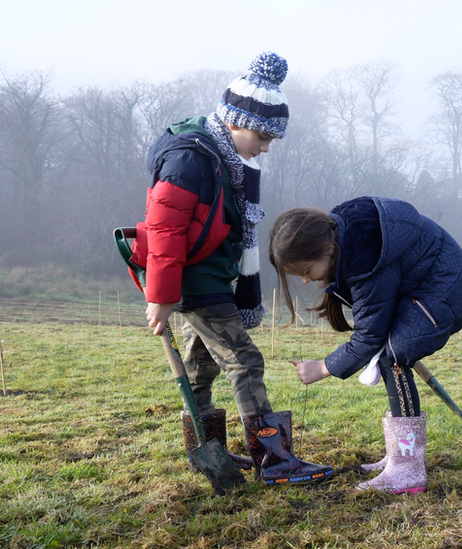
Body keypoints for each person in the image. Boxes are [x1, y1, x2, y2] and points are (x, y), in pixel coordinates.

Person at [135, 51, 333, 485]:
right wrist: (163, 296)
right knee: (245, 360)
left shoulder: (223, 158)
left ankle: (208, 452)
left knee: (201, 366)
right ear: (234, 121)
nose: (264, 148)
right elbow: (164, 227)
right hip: (197, 281)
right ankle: (275, 459)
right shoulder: (191, 157)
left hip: (210, 276)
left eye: (270, 140)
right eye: (261, 137)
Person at [268, 196, 462, 494]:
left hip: (448, 288)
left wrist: (323, 368)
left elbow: (369, 337)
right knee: (390, 350)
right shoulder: (345, 236)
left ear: (327, 249)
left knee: (393, 354)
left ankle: (407, 469)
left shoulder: (365, 257)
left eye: (305, 271)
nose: (304, 280)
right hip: (426, 285)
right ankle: (399, 456)